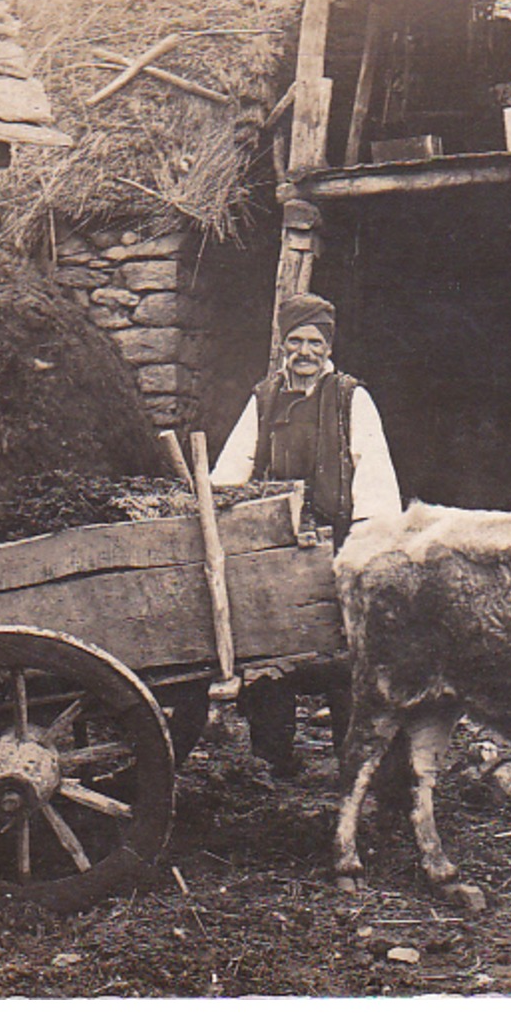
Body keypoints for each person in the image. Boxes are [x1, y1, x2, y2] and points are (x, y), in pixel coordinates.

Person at [212, 292, 401, 774]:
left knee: (343, 651)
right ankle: (273, 757)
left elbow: (374, 473)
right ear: (283, 345)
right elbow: (233, 470)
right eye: (295, 341)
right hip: (277, 548)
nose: (304, 352)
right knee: (270, 650)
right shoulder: (264, 397)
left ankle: (351, 758)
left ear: (327, 346)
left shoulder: (350, 398)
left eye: (314, 342)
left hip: (337, 545)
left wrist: (366, 544)